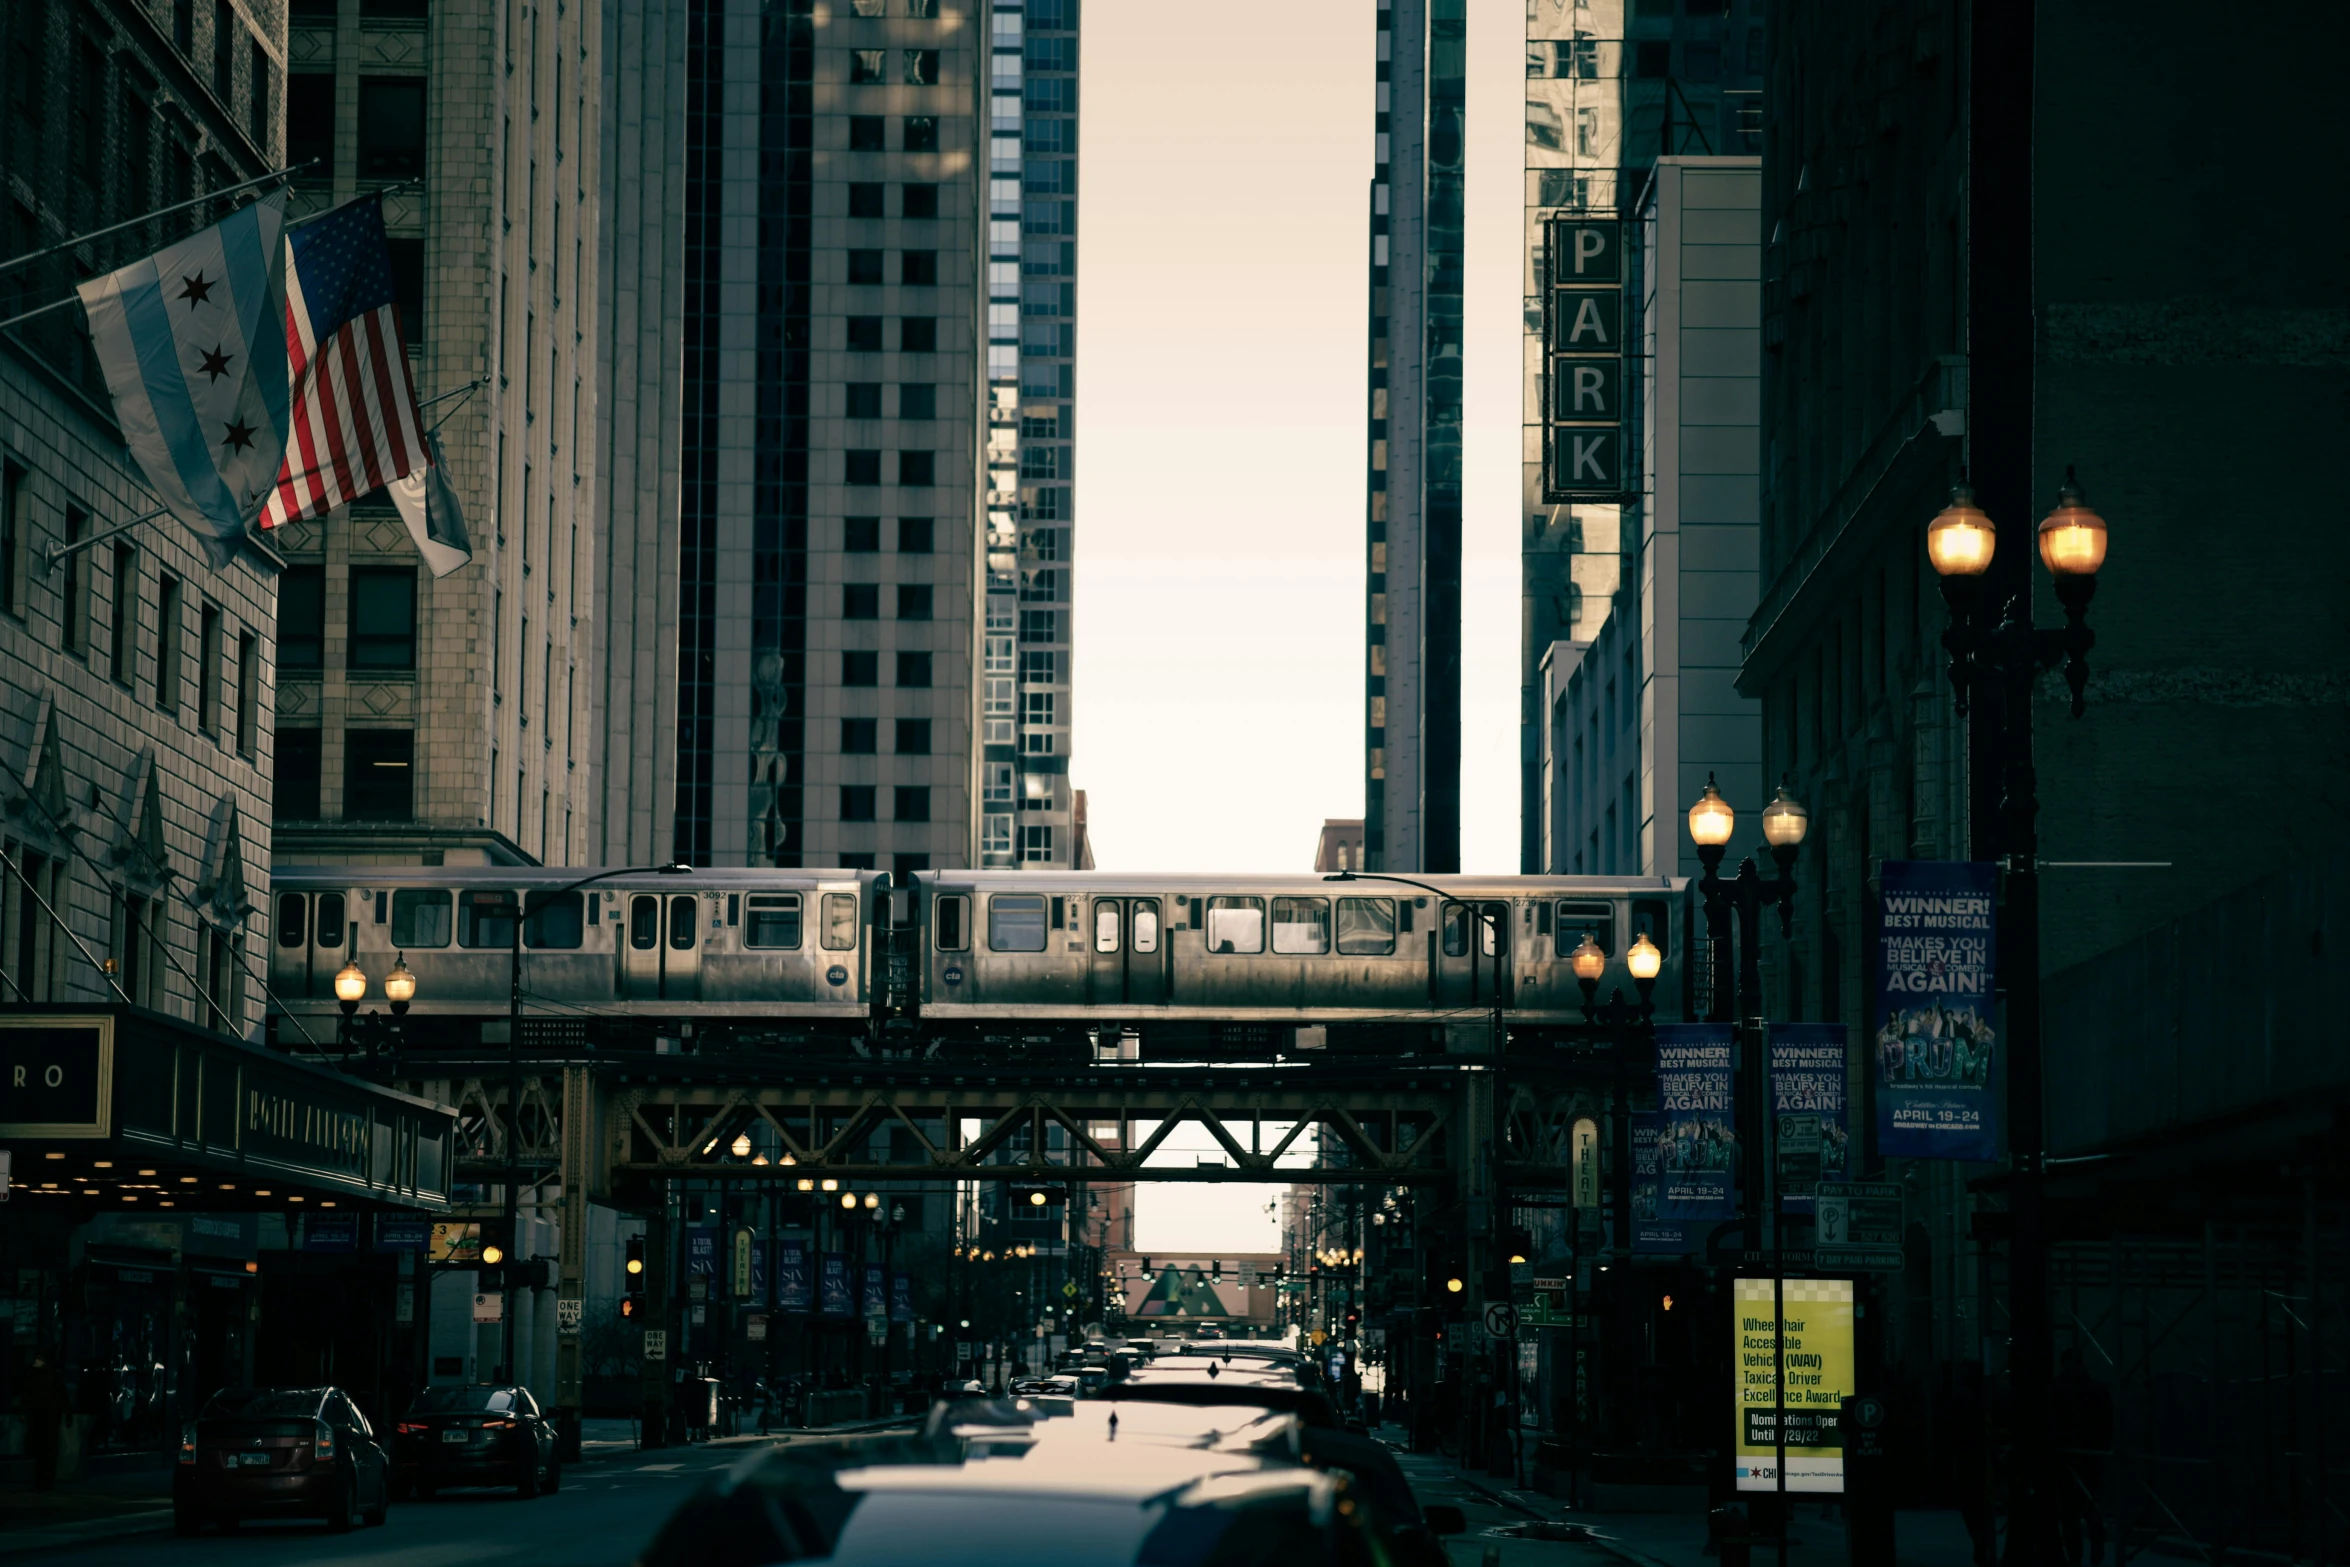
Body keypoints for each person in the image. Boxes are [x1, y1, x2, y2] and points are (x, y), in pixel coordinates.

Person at [2052, 1347, 2112, 1566]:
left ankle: (2076, 1556)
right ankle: (2094, 1547)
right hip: (2091, 1456)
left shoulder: (2057, 1389)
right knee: (2090, 1506)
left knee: (2070, 1512)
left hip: (2068, 1456)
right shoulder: (2097, 1389)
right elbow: (2107, 1424)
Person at [20, 1353, 69, 1491]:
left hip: (44, 1417)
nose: (36, 1361)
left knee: (44, 1450)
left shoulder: (39, 1375)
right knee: (46, 1450)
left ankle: (43, 1479)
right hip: (46, 1417)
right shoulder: (45, 1375)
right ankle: (45, 1479)